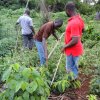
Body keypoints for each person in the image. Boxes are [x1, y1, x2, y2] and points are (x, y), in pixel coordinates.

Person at [61, 2, 84, 80]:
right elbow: (83, 29)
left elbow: (75, 40)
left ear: (68, 10)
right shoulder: (79, 18)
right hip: (75, 49)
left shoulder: (74, 22)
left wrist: (64, 46)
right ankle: (74, 81)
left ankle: (72, 83)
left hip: (72, 50)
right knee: (74, 67)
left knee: (70, 68)